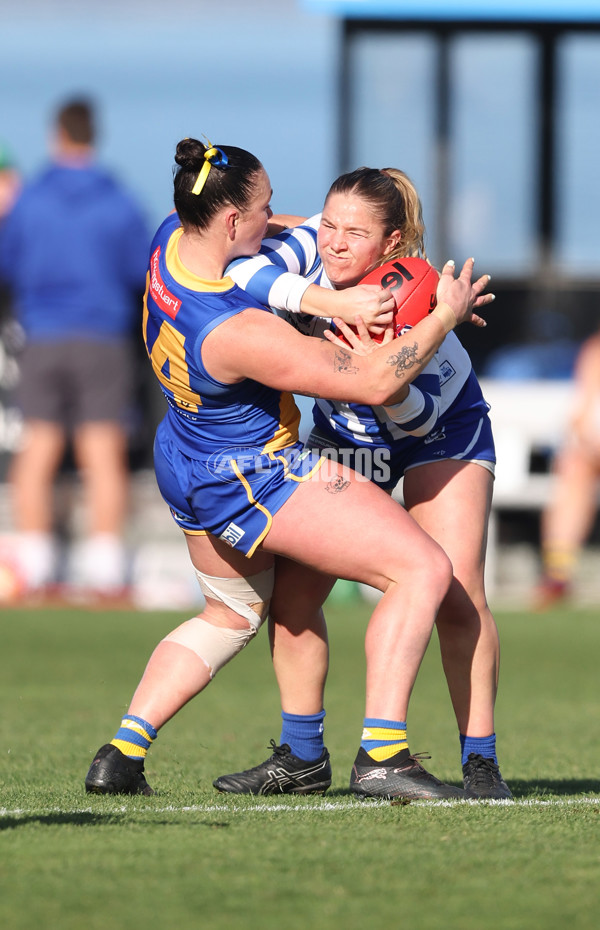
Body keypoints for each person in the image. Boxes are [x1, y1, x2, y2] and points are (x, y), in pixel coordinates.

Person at [84, 138, 492, 800]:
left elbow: (276, 235)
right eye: (266, 207)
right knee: (424, 569)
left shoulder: (172, 240)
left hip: (185, 458)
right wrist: (439, 314)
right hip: (257, 476)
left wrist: (339, 248)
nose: (283, 217)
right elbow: (368, 380)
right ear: (230, 220)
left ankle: (123, 751)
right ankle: (383, 756)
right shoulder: (240, 330)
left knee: (234, 615)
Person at [213, 166, 511, 800]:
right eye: (330, 225)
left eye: (356, 233)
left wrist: (383, 356)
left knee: (457, 594)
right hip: (348, 437)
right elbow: (236, 271)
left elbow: (419, 414)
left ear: (392, 243)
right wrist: (324, 304)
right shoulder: (311, 253)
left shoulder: (419, 294)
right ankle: (300, 756)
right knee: (293, 601)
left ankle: (480, 761)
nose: (335, 242)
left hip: (438, 432)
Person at [0, 98, 150, 603]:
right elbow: (140, 272)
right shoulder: (119, 201)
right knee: (102, 449)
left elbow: (8, 263)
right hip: (103, 336)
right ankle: (105, 570)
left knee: (37, 446)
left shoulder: (31, 200)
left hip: (42, 334)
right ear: (94, 136)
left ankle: (36, 566)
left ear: (56, 135)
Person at [534, 330, 600, 609]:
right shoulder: (595, 350)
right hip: (592, 445)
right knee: (574, 469)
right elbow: (584, 410)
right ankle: (558, 573)